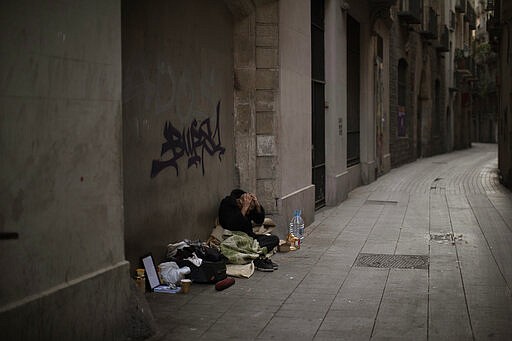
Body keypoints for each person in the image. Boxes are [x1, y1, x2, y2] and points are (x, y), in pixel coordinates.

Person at [218, 189, 279, 272]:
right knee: (241, 247)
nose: (249, 212)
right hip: (236, 238)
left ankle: (254, 255)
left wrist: (257, 206)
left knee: (274, 239)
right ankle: (256, 259)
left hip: (249, 238)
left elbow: (259, 220)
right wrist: (244, 209)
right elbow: (232, 225)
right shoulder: (227, 205)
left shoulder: (249, 205)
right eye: (249, 209)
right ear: (240, 203)